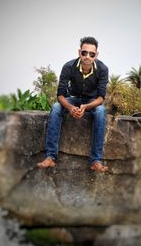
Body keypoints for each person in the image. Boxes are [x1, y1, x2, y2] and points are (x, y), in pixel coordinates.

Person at [37, 36, 109, 172]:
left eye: (91, 54)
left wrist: (86, 107)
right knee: (56, 107)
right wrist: (70, 108)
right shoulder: (68, 67)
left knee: (101, 111)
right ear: (79, 52)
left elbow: (101, 98)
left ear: (96, 55)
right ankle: (50, 157)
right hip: (73, 99)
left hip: (92, 101)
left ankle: (95, 160)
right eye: (84, 52)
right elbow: (60, 95)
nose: (87, 56)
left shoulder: (103, 69)